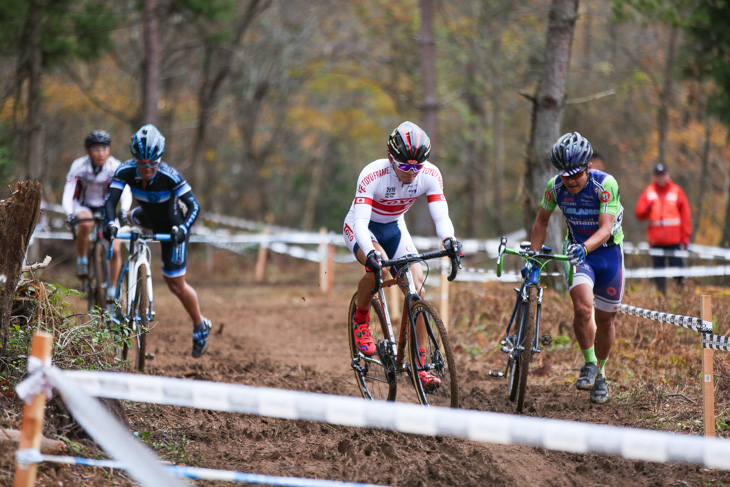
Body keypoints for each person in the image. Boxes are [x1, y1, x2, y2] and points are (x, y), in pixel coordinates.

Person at [342, 120, 463, 389]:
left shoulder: (430, 175)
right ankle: (361, 316)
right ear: (390, 158)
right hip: (362, 228)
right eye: (405, 166)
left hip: (395, 228)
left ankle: (421, 364)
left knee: (416, 288)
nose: (411, 172)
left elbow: (440, 214)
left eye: (417, 166)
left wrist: (449, 240)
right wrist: (372, 253)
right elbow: (361, 222)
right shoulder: (372, 175)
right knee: (381, 269)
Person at [526, 132, 624, 404]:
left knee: (606, 321)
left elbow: (606, 228)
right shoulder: (554, 187)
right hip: (579, 255)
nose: (570, 180)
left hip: (609, 255)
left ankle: (601, 374)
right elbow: (542, 222)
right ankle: (590, 362)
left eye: (576, 174)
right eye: (564, 174)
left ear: (588, 167)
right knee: (582, 308)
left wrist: (586, 246)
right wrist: (533, 257)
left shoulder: (606, 185)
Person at [103, 124, 211, 358]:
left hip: (172, 227)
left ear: (159, 160)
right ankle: (122, 300)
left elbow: (194, 206)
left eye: (152, 163)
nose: (147, 169)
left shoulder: (170, 176)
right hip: (145, 217)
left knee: (175, 284)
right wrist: (111, 224)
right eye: (142, 164)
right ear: (135, 160)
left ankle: (200, 325)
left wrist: (183, 228)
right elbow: (110, 202)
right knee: (125, 221)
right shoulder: (125, 171)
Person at [62, 130, 132, 294]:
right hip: (83, 205)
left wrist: (123, 210)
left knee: (115, 248)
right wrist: (69, 213)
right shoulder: (79, 165)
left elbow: (126, 191)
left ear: (110, 149)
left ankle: (113, 289)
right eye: (96, 149)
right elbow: (68, 191)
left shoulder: (115, 166)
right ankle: (82, 260)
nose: (101, 153)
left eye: (104, 148)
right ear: (87, 151)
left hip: (107, 207)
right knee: (86, 224)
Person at [634, 163, 692, 295]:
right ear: (654, 177)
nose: (661, 178)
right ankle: (661, 299)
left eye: (663, 175)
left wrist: (685, 237)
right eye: (658, 175)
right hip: (656, 242)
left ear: (667, 175)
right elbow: (639, 213)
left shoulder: (677, 191)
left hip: (674, 240)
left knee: (678, 270)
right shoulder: (648, 192)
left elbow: (685, 216)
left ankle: (683, 296)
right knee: (658, 272)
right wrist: (647, 208)